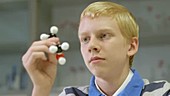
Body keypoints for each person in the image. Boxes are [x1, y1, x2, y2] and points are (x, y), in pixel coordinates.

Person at [22, 1, 170, 96]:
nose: (91, 46)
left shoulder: (162, 92)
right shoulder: (70, 95)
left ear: (131, 46)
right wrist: (41, 88)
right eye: (85, 39)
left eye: (103, 35)